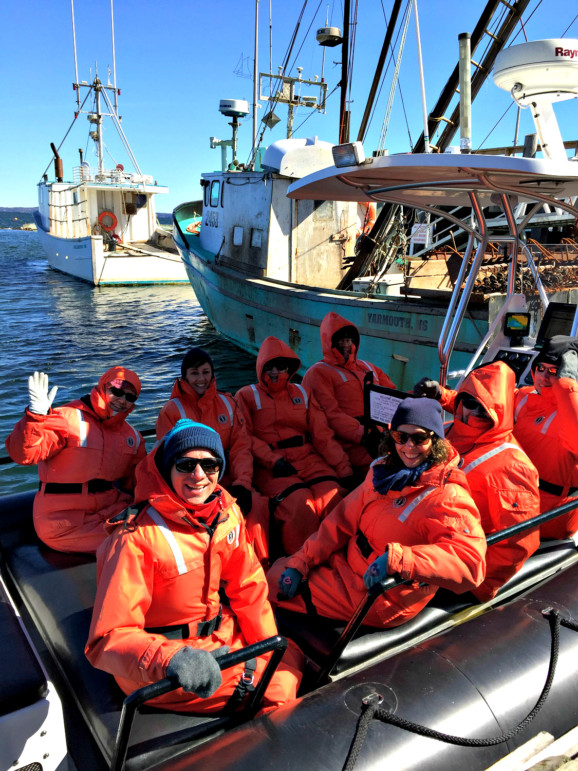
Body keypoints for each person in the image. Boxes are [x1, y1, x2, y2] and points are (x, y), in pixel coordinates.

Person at [85, 419, 303, 715]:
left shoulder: (227, 515)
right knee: (278, 687)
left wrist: (264, 645)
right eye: (186, 465)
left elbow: (248, 585)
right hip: (167, 665)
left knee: (289, 655)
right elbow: (107, 638)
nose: (199, 475)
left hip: (218, 636)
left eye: (210, 465)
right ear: (167, 469)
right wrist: (173, 659)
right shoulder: (134, 538)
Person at [270, 398, 486, 628]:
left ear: (436, 441)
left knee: (270, 582)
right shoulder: (383, 473)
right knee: (283, 567)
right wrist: (302, 561)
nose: (409, 446)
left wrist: (399, 560)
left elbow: (471, 563)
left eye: (419, 438)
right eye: (400, 437)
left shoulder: (447, 495)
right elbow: (340, 521)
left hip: (380, 596)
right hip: (349, 566)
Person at [415, 361, 541, 602]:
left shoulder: (512, 467)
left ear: (499, 412)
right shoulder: (447, 430)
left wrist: (473, 587)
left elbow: (517, 543)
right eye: (469, 403)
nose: (473, 413)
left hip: (451, 567)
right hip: (419, 539)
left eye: (483, 409)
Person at [235, 336, 354, 557]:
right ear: (261, 367)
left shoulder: (302, 393)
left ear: (289, 369)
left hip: (309, 458)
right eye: (269, 366)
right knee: (299, 505)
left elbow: (322, 436)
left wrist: (344, 469)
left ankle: (339, 561)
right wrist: (273, 461)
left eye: (280, 367)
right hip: (271, 466)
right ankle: (300, 564)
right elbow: (244, 437)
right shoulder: (246, 396)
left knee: (334, 497)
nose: (275, 372)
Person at [5, 367, 145, 553]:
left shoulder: (133, 437)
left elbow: (138, 482)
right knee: (138, 541)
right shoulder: (66, 417)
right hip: (63, 522)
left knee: (162, 527)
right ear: (103, 386)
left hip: (113, 508)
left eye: (130, 397)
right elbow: (25, 455)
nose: (122, 399)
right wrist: (36, 417)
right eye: (117, 391)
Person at [155, 347, 269, 562]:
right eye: (195, 373)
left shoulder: (228, 403)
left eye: (205, 372)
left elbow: (241, 447)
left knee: (257, 508)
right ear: (185, 376)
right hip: (193, 485)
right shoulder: (171, 411)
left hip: (229, 481)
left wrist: (243, 484)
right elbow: (166, 460)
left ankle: (259, 566)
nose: (201, 379)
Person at [302, 311, 396, 477]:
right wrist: (364, 435)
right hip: (352, 444)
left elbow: (393, 397)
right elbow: (330, 415)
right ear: (329, 342)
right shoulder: (317, 373)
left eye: (349, 339)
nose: (346, 344)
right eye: (341, 340)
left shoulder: (368, 366)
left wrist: (419, 396)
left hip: (384, 436)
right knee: (391, 468)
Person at [512, 336, 578, 539]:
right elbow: (486, 404)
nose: (543, 377)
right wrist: (441, 397)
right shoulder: (523, 396)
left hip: (552, 514)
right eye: (540, 368)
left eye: (554, 372)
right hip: (514, 498)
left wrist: (567, 387)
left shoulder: (572, 410)